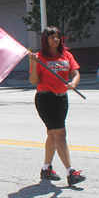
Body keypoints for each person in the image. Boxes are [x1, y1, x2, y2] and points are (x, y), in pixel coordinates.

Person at [29, 26, 85, 186]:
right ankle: (71, 172)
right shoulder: (39, 57)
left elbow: (75, 73)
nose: (55, 39)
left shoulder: (66, 55)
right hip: (46, 99)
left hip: (62, 99)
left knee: (52, 135)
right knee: (60, 134)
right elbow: (33, 81)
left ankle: (46, 169)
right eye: (51, 37)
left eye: (57, 36)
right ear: (45, 40)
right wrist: (33, 64)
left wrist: (73, 83)